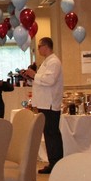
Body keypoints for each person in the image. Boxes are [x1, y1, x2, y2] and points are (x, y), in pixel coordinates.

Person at [24, 37, 63, 174]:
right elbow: (41, 82)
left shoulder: (54, 62)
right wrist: (30, 77)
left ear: (46, 46)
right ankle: (53, 162)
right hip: (44, 103)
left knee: (52, 134)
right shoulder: (46, 62)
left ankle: (56, 162)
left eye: (40, 46)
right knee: (48, 133)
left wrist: (34, 75)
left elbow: (50, 80)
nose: (38, 49)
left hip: (50, 103)